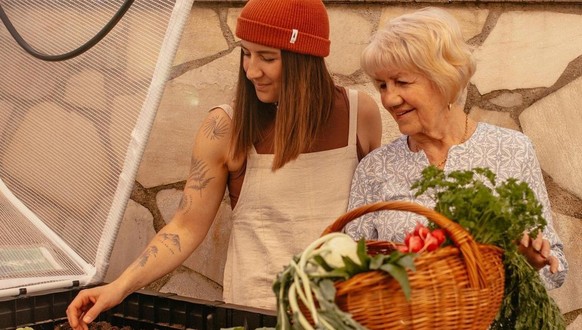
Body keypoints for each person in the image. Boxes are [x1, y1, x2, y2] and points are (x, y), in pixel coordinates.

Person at [66, 0, 382, 328]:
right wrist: (117, 287)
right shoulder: (224, 127)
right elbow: (185, 227)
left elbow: (375, 219)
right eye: (246, 53)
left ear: (306, 59)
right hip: (258, 314)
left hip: (345, 312)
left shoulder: (361, 114)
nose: (251, 70)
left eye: (268, 57)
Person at [343, 7, 567, 289]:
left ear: (443, 79)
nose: (389, 99)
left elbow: (555, 266)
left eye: (401, 82)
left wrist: (533, 262)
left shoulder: (512, 150)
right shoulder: (375, 168)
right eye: (382, 85)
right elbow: (350, 267)